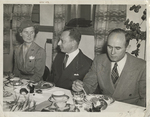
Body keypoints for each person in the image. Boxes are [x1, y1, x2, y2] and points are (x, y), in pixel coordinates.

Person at [72, 28, 146, 107]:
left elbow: (145, 99)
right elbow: (89, 85)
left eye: (118, 48)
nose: (112, 52)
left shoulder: (141, 66)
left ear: (127, 48)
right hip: (106, 108)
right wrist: (80, 87)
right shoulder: (99, 60)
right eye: (109, 47)